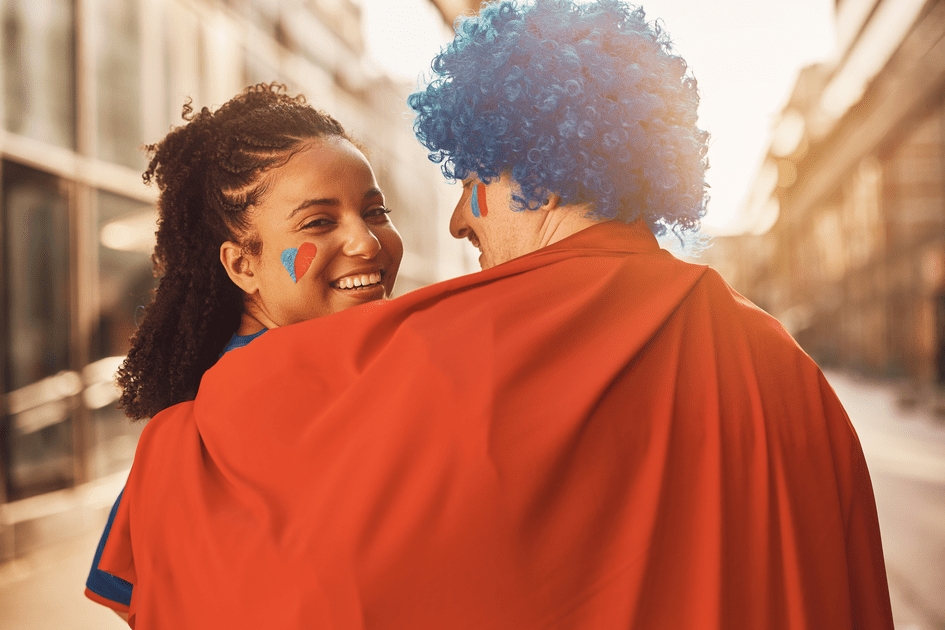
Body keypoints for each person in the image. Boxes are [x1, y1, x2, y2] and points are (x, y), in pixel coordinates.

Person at [100, 2, 895, 628]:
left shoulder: (457, 354)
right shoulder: (785, 364)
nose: (454, 222)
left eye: (471, 178)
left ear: (539, 181)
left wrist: (180, 452)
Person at [84, 82, 403, 621]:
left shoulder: (187, 426)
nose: (368, 242)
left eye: (375, 211)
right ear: (242, 265)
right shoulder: (302, 400)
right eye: (319, 222)